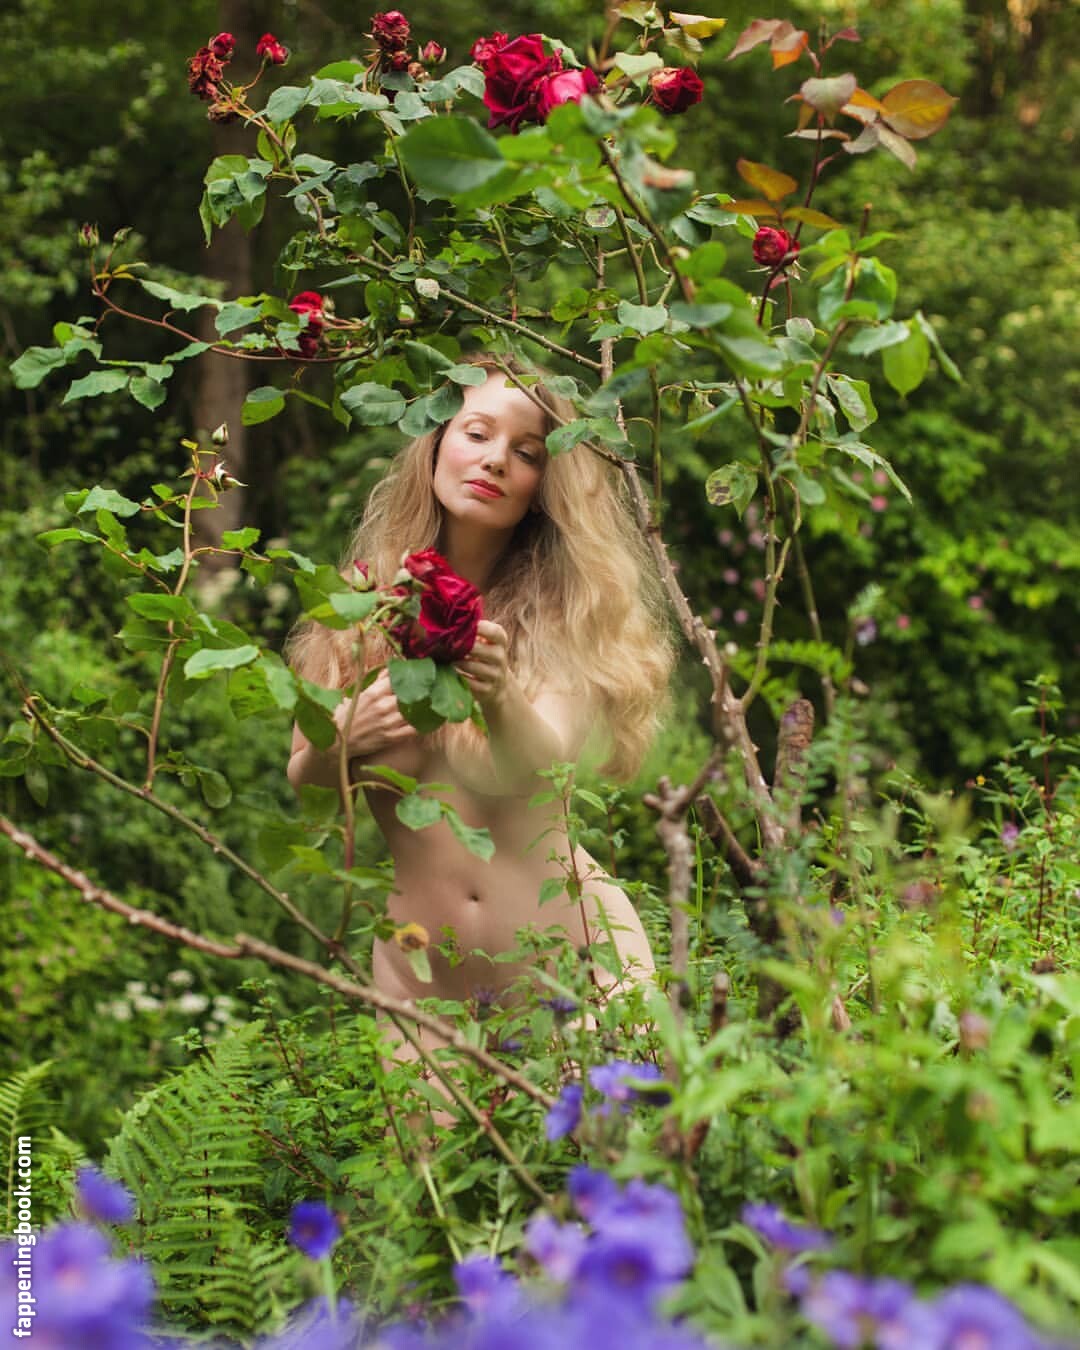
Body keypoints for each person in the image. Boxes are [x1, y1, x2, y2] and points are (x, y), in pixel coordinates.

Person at [286, 356, 674, 1062]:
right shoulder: (359, 605)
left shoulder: (567, 612)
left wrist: (497, 695)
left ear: (542, 488)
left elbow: (541, 766)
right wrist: (339, 739)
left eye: (526, 453)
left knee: (600, 1137)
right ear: (436, 444)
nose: (496, 460)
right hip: (420, 987)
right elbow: (305, 779)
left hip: (578, 971)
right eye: (477, 433)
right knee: (421, 1142)